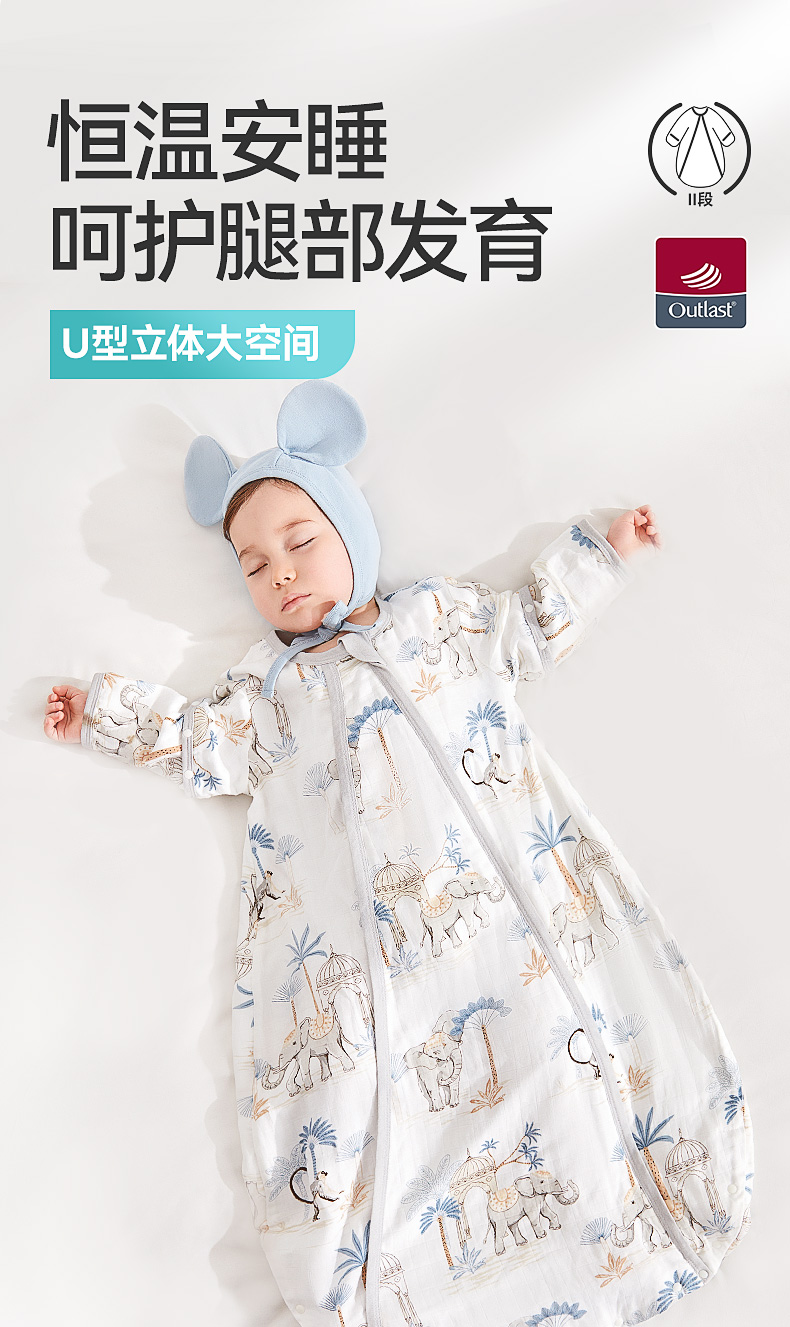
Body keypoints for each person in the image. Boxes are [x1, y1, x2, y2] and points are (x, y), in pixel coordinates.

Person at [43, 381, 753, 1327]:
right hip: (372, 976)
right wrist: (103, 713)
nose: (281, 574)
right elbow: (197, 739)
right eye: (254, 564)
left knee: (556, 1051)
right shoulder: (268, 695)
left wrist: (604, 552)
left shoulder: (439, 623)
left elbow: (528, 623)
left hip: (509, 922)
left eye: (301, 540)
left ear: (351, 529)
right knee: (391, 1112)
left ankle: (638, 1219)